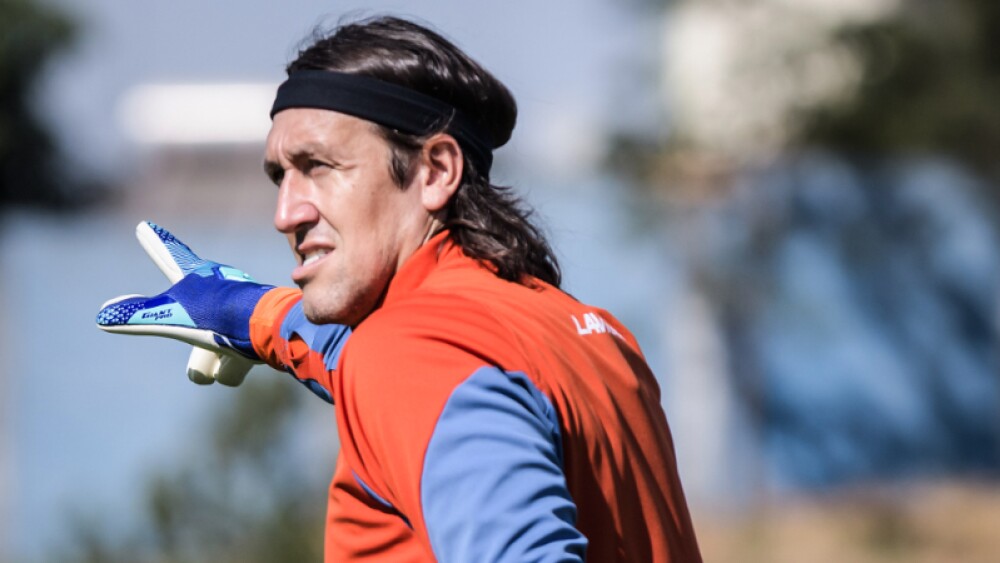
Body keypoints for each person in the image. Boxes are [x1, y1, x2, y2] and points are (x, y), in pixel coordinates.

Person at [97, 15, 702, 562]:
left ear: (434, 171)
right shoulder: (581, 328)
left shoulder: (413, 352)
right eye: (280, 176)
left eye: (319, 167)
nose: (285, 213)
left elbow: (410, 366)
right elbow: (366, 358)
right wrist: (243, 312)